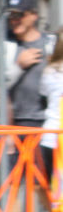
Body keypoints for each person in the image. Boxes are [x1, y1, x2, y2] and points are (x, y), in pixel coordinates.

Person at [3, 0, 54, 130]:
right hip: (11, 122)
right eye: (10, 15)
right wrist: (18, 67)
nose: (14, 20)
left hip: (44, 120)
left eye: (19, 15)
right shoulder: (4, 44)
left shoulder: (50, 44)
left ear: (34, 15)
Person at [37, 33, 63, 186]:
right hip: (55, 135)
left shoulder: (50, 71)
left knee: (51, 187)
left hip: (50, 135)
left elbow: (43, 94)